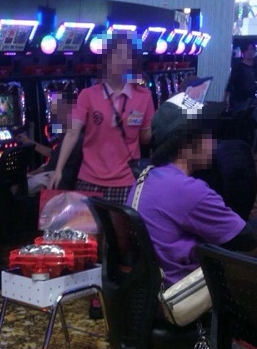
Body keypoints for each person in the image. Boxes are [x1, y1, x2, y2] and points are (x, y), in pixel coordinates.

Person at [127, 91, 257, 290]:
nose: (214, 139)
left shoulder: (147, 175)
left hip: (151, 289)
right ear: (187, 142)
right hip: (183, 295)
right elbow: (245, 238)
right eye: (208, 133)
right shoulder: (188, 191)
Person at [48, 33, 155, 205]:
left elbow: (145, 138)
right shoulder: (88, 95)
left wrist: (162, 124)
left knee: (121, 224)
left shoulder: (144, 96)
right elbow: (72, 133)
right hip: (89, 178)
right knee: (87, 224)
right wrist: (58, 169)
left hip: (126, 181)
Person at [17, 91, 82, 194]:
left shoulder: (70, 139)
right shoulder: (78, 135)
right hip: (68, 182)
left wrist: (26, 175)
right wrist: (28, 141)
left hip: (61, 184)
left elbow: (48, 168)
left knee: (16, 186)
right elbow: (51, 153)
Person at [226, 42, 257, 112]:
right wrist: (225, 99)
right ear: (243, 52)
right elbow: (230, 83)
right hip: (239, 99)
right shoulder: (238, 66)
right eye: (247, 50)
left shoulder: (255, 66)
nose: (250, 52)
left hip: (252, 98)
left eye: (252, 49)